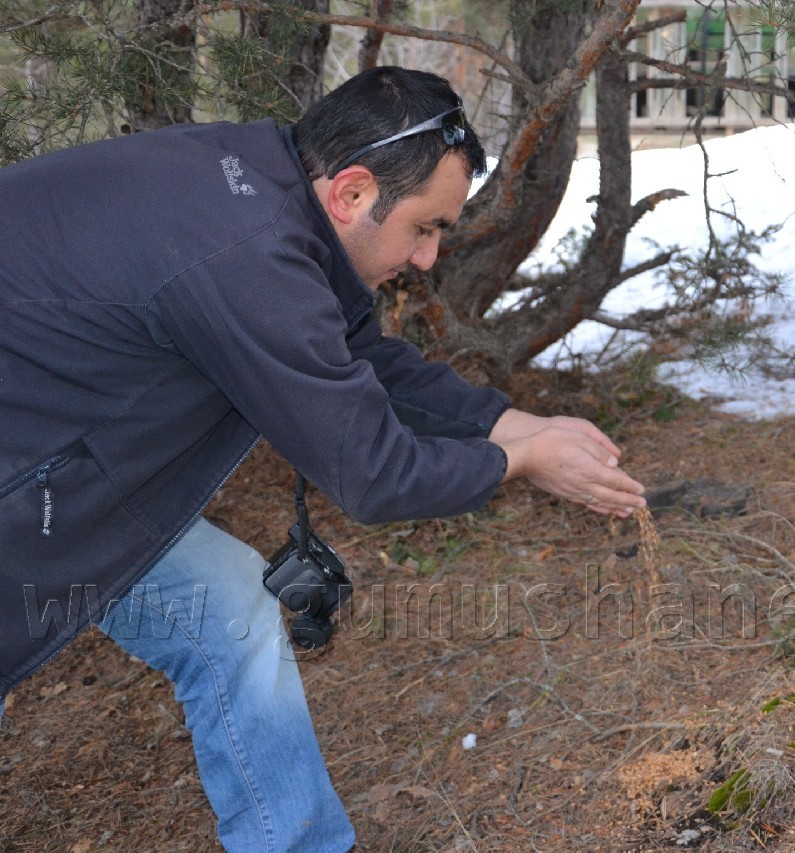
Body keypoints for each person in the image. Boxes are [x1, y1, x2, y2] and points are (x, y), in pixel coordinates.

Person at [0, 66, 646, 851]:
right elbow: (374, 474)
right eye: (426, 226)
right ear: (350, 192)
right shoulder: (249, 253)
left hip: (63, 468)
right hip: (29, 482)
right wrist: (521, 461)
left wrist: (510, 422)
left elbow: (357, 355)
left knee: (227, 605)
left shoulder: (260, 184)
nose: (429, 256)